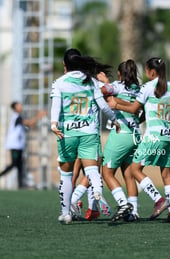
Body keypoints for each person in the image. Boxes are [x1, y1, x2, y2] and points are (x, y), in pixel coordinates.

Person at [108, 57, 170, 222]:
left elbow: (135, 109)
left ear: (151, 72)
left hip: (153, 137)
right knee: (166, 174)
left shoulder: (148, 87)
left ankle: (159, 199)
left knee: (135, 169)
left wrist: (117, 106)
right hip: (169, 136)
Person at [50, 48, 120, 224]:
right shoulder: (91, 81)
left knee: (66, 174)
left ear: (65, 65)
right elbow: (103, 106)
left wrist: (53, 124)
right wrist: (115, 119)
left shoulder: (59, 82)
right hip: (89, 132)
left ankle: (66, 213)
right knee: (91, 169)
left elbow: (56, 107)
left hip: (68, 133)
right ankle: (97, 191)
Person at [99, 60, 142, 222]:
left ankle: (123, 204)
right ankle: (134, 212)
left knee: (107, 172)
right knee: (128, 174)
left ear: (119, 74)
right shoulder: (140, 89)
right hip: (136, 134)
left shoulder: (117, 86)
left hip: (121, 133)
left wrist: (105, 82)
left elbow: (102, 91)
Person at [0, 101, 46, 189]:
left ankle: (20, 185)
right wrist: (39, 115)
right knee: (14, 164)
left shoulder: (19, 117)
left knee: (19, 165)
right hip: (14, 145)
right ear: (15, 108)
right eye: (19, 105)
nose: (21, 106)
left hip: (19, 145)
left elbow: (30, 125)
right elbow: (29, 123)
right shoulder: (17, 117)